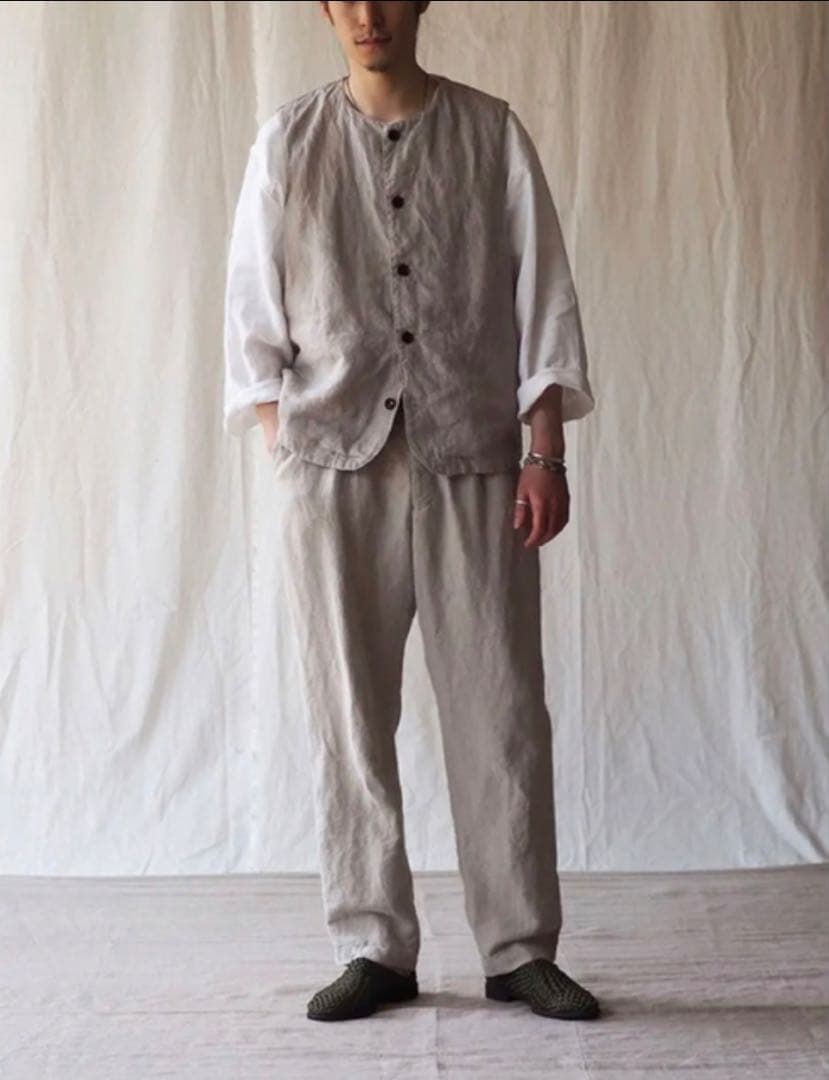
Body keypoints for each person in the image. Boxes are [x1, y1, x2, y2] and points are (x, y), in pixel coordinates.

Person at [223, 0, 601, 1023]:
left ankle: (519, 948)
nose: (367, 13)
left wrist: (545, 451)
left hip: (475, 458)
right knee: (348, 712)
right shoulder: (288, 140)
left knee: (500, 707)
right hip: (332, 469)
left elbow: (543, 298)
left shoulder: (491, 132)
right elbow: (250, 314)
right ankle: (372, 945)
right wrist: (288, 444)